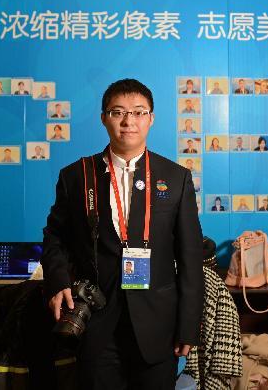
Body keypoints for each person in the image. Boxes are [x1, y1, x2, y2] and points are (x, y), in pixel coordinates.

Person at [41, 78, 203, 389]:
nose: (129, 121)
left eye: (139, 112)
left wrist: (189, 325)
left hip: (158, 325)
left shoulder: (176, 177)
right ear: (104, 118)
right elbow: (55, 237)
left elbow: (190, 258)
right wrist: (58, 282)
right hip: (96, 323)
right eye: (118, 112)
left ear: (151, 119)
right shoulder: (77, 176)